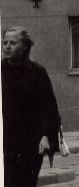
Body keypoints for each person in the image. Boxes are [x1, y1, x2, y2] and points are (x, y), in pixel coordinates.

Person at [2, 25, 61, 187]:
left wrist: (46, 136)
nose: (7, 46)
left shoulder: (37, 72)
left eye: (13, 43)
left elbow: (49, 107)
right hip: (5, 141)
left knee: (26, 182)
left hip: (30, 142)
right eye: (4, 42)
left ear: (25, 46)